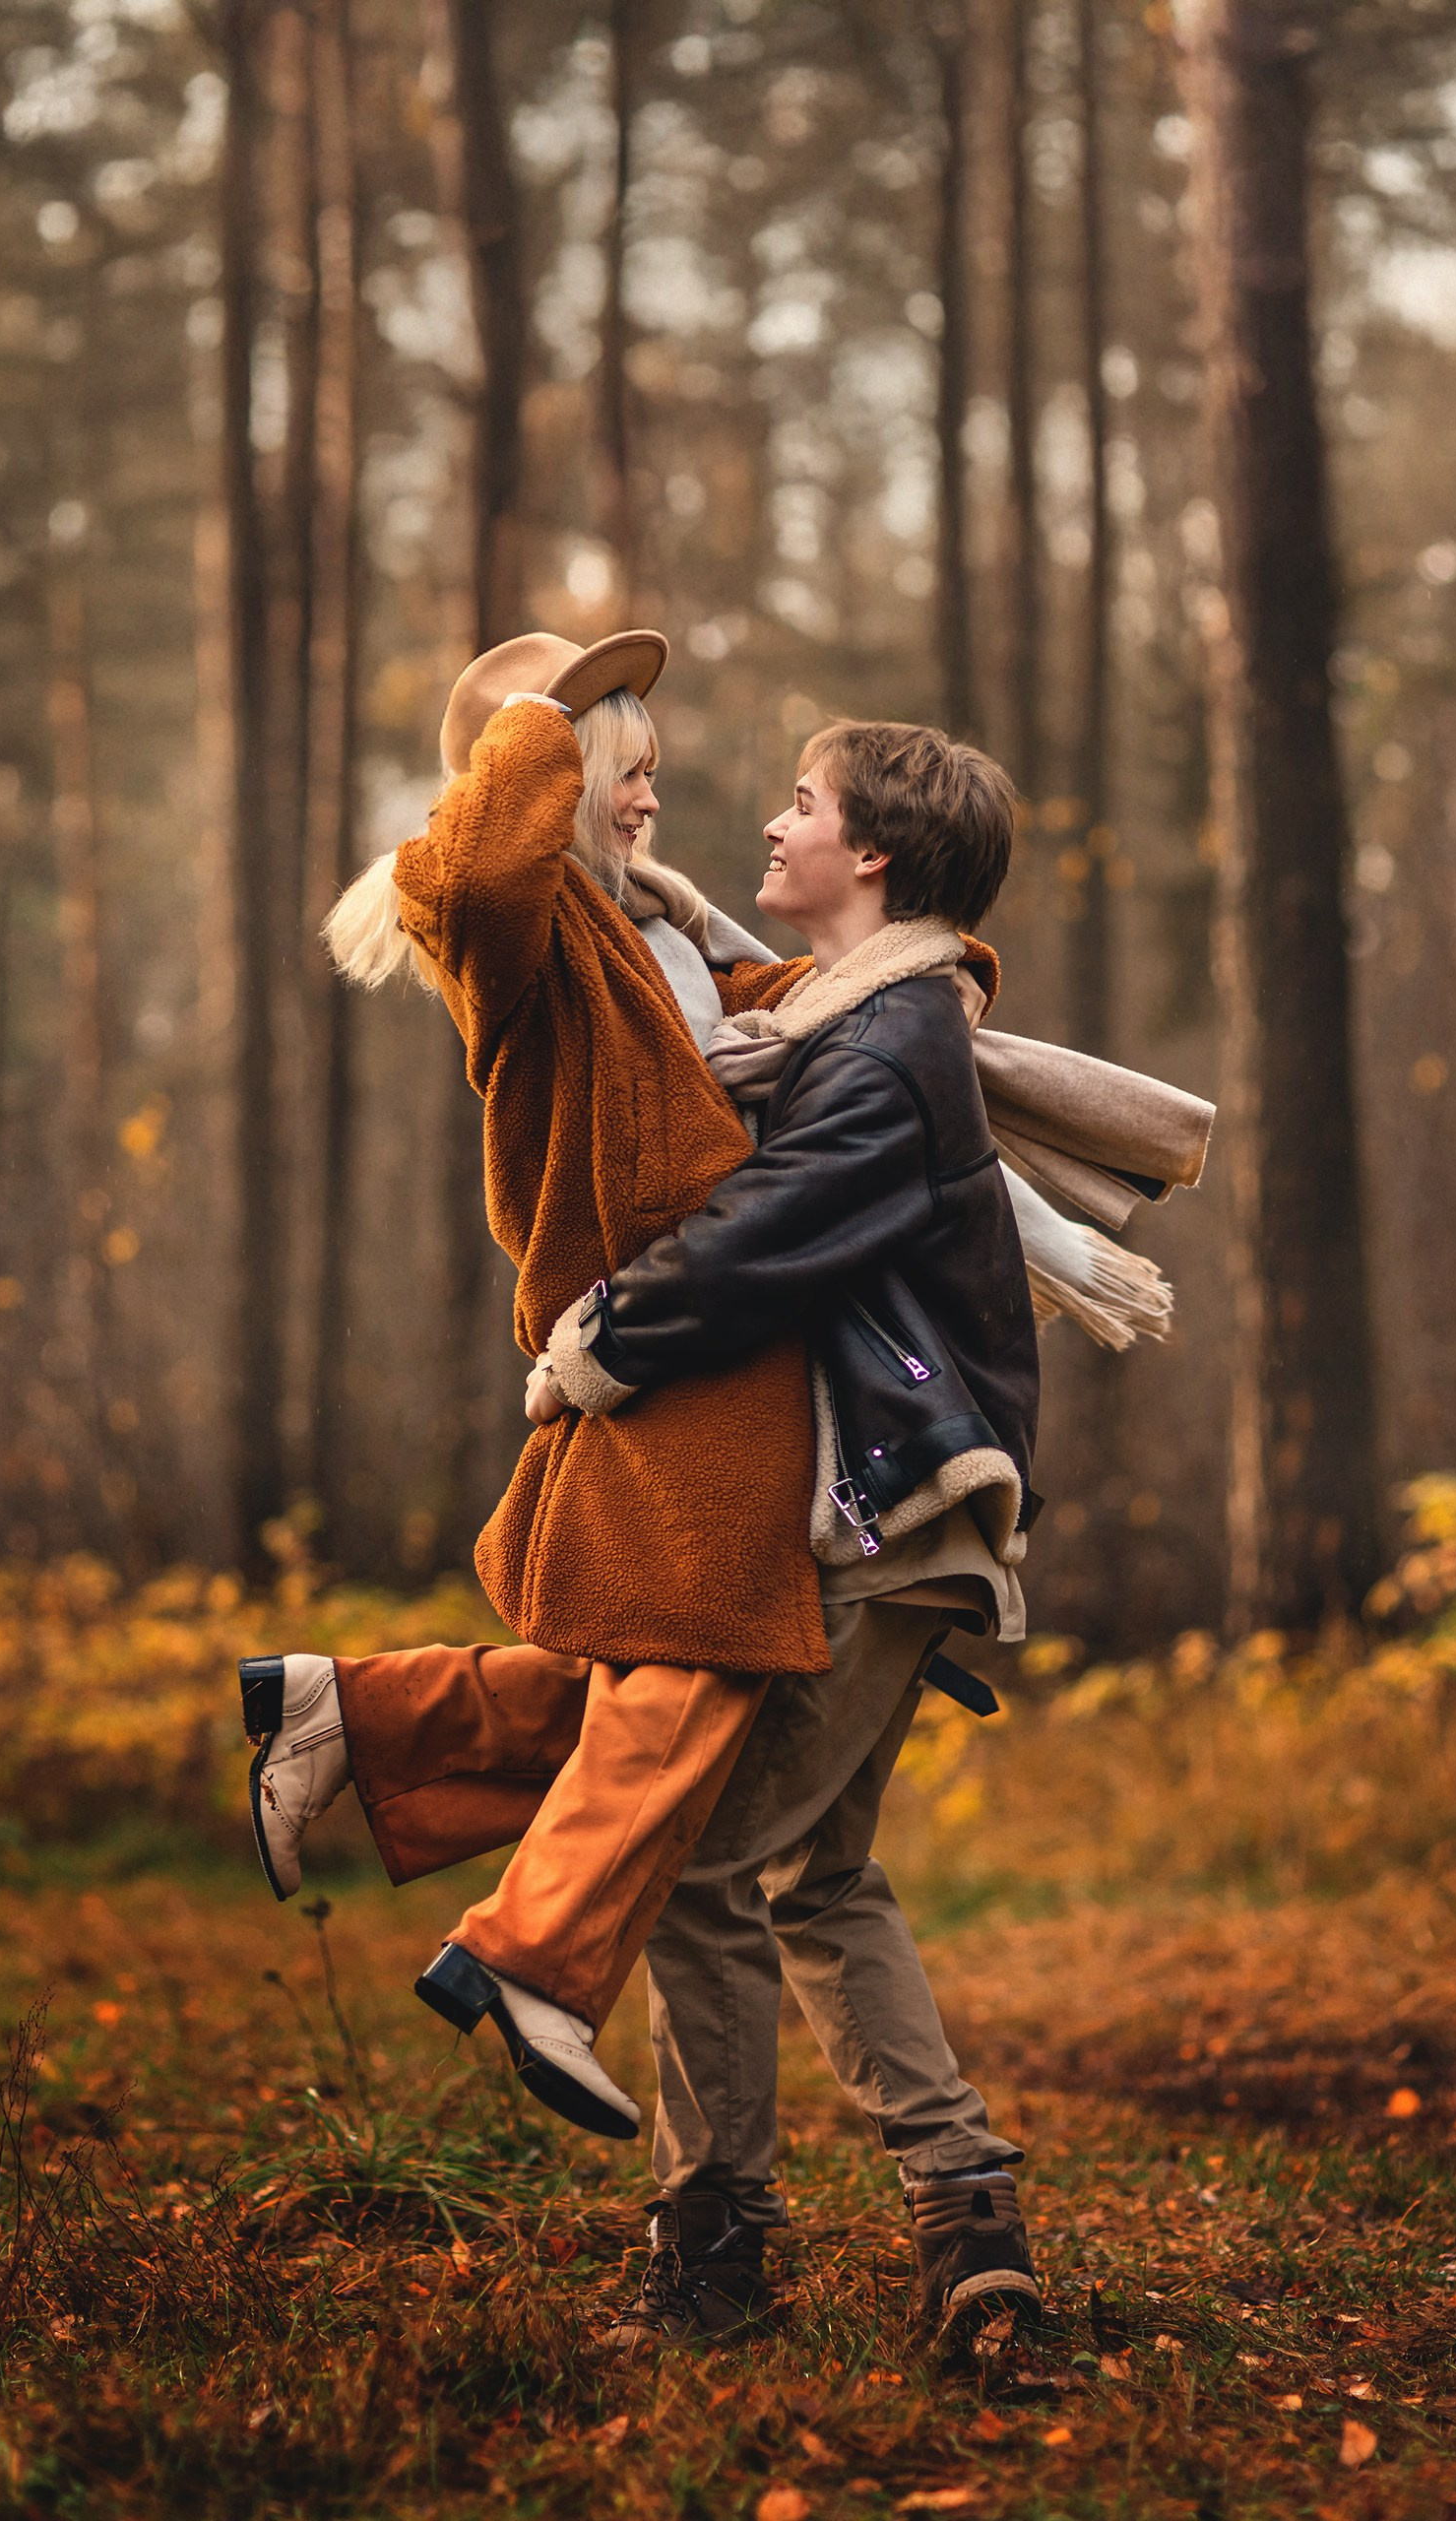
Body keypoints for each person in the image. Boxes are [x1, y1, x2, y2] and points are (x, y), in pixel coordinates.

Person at [245, 629, 832, 2144]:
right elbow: (478, 861)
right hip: (663, 1325)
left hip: (713, 1323)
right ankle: (532, 1959)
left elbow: (817, 1017)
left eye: (648, 772)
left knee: (658, 1669)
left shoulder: (660, 933)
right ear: (549, 772)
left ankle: (360, 1717)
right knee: (700, 1661)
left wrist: (933, 971)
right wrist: (541, 713)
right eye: (623, 770)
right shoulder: (510, 929)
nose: (648, 798)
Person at [523, 720, 1064, 2353]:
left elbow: (769, 1232)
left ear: (873, 852)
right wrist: (682, 918)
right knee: (814, 1874)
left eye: (804, 805)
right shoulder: (869, 1016)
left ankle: (717, 2247)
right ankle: (965, 2220)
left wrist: (604, 1337)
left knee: (701, 1859)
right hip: (906, 1510)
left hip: (896, 1510)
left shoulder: (888, 1047)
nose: (773, 823)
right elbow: (761, 1018)